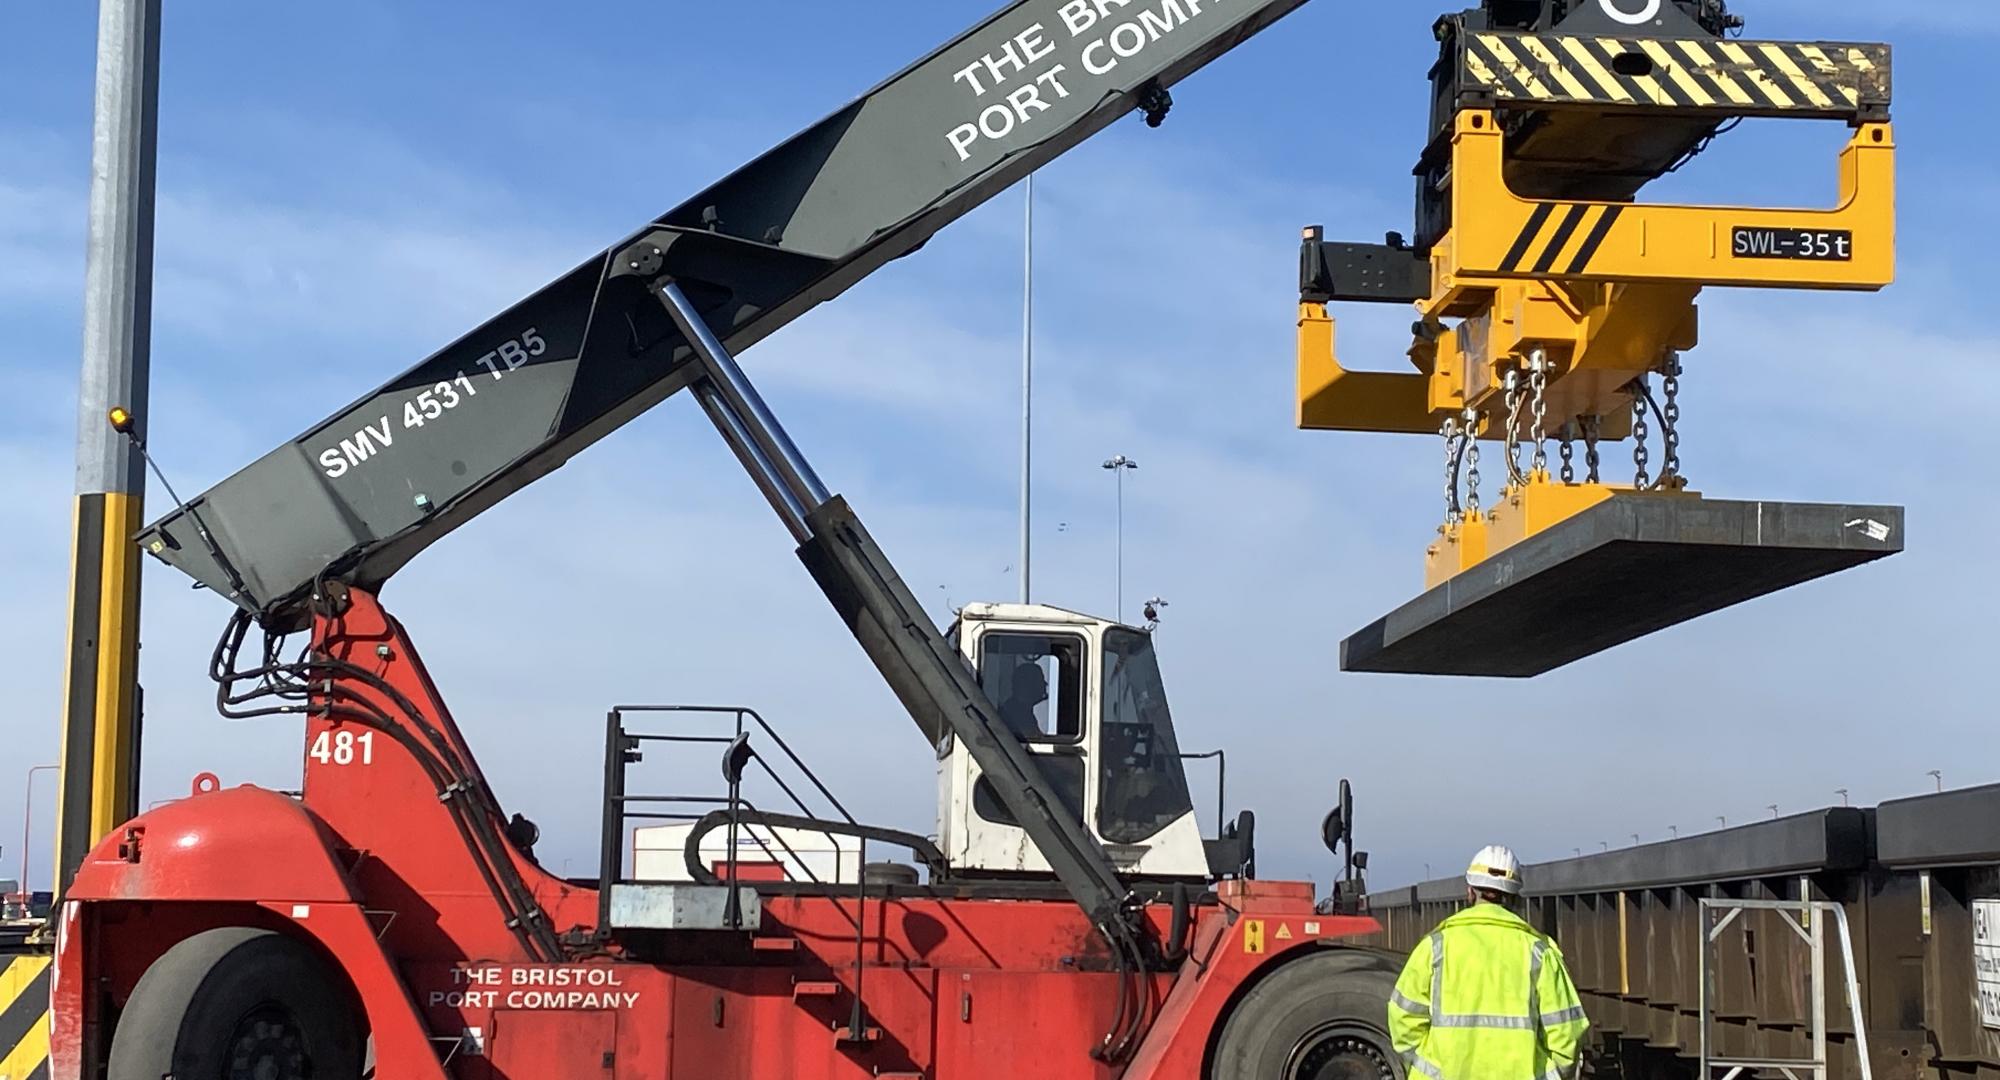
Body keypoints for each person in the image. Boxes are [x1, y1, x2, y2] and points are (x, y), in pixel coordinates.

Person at [1388, 845, 1589, 1080]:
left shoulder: (1435, 947)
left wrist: (1432, 1071)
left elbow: (1403, 1022)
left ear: (1470, 892)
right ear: (1515, 898)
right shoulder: (1539, 952)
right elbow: (1567, 1034)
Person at [996, 661, 1048, 738]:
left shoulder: (1025, 712)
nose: (1045, 684)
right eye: (1040, 681)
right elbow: (1030, 739)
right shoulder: (1015, 713)